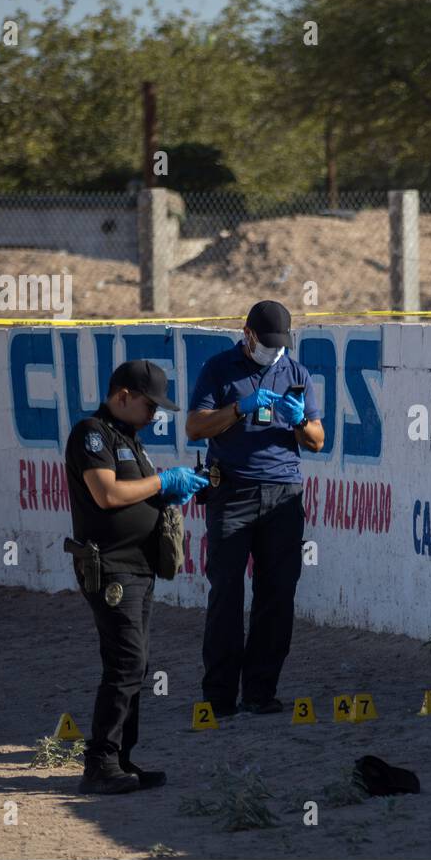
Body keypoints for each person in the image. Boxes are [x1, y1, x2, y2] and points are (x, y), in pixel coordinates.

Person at [65, 360, 208, 794]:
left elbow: (137, 494)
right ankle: (101, 762)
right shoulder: (92, 432)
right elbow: (107, 493)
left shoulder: (129, 438)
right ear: (123, 395)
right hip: (111, 567)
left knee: (135, 664)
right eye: (150, 405)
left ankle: (121, 759)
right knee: (126, 662)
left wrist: (168, 489)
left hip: (138, 568)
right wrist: (163, 480)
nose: (154, 415)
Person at [187, 300, 324, 718]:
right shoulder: (218, 368)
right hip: (232, 493)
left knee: (277, 594)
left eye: (280, 345)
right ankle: (220, 696)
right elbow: (195, 427)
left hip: (283, 494)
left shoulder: (296, 372)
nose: (273, 351)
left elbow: (318, 440)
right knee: (226, 592)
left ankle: (261, 691)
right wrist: (237, 410)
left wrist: (300, 421)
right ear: (246, 334)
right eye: (266, 344)